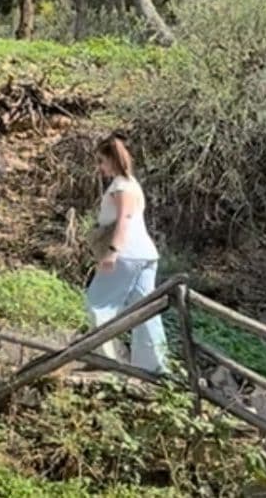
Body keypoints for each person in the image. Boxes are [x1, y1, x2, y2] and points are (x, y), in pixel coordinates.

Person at [85, 135, 167, 373]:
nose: (99, 167)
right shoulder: (132, 184)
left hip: (126, 254)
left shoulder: (122, 186)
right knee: (146, 311)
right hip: (145, 255)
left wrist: (112, 252)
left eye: (101, 161)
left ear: (112, 159)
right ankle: (154, 368)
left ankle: (107, 360)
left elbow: (124, 221)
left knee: (97, 303)